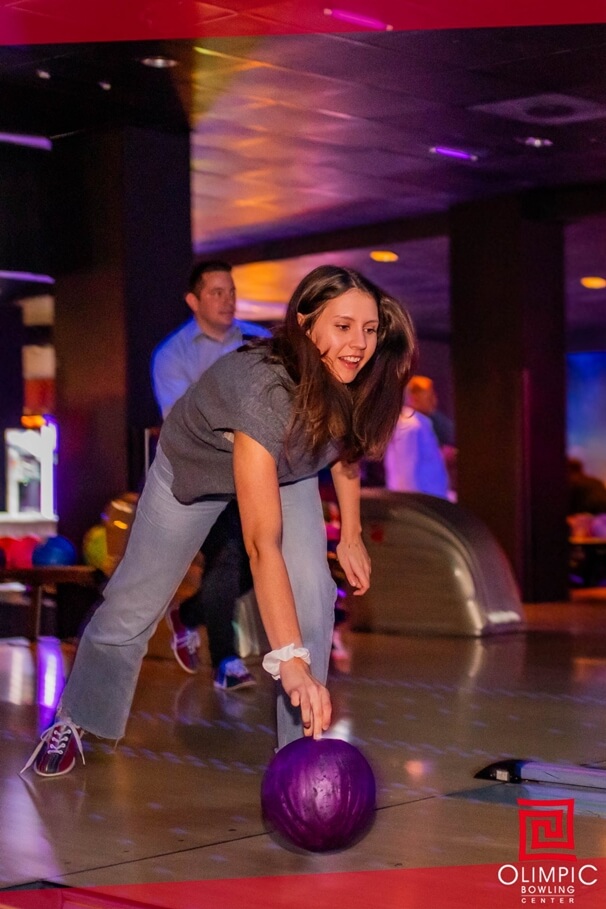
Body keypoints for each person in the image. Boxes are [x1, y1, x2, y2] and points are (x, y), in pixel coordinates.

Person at [22, 264, 416, 777]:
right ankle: (74, 718)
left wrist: (352, 537)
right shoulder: (262, 390)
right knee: (133, 603)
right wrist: (288, 663)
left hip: (288, 470)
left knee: (315, 591)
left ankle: (299, 747)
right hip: (193, 471)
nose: (358, 343)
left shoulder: (353, 376)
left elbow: (346, 453)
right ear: (305, 323)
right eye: (343, 326)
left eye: (369, 329)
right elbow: (262, 544)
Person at [152, 260, 269, 690]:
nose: (227, 299)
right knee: (227, 555)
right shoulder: (172, 355)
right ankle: (226, 662)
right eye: (216, 292)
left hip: (254, 475)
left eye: (231, 291)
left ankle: (188, 614)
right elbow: (184, 422)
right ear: (193, 300)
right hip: (202, 475)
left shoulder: (259, 342)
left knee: (259, 561)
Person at [384, 375, 449, 497]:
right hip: (418, 503)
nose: (434, 401)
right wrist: (410, 505)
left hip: (429, 501)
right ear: (414, 398)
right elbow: (405, 474)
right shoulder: (409, 426)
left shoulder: (420, 423)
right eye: (429, 397)